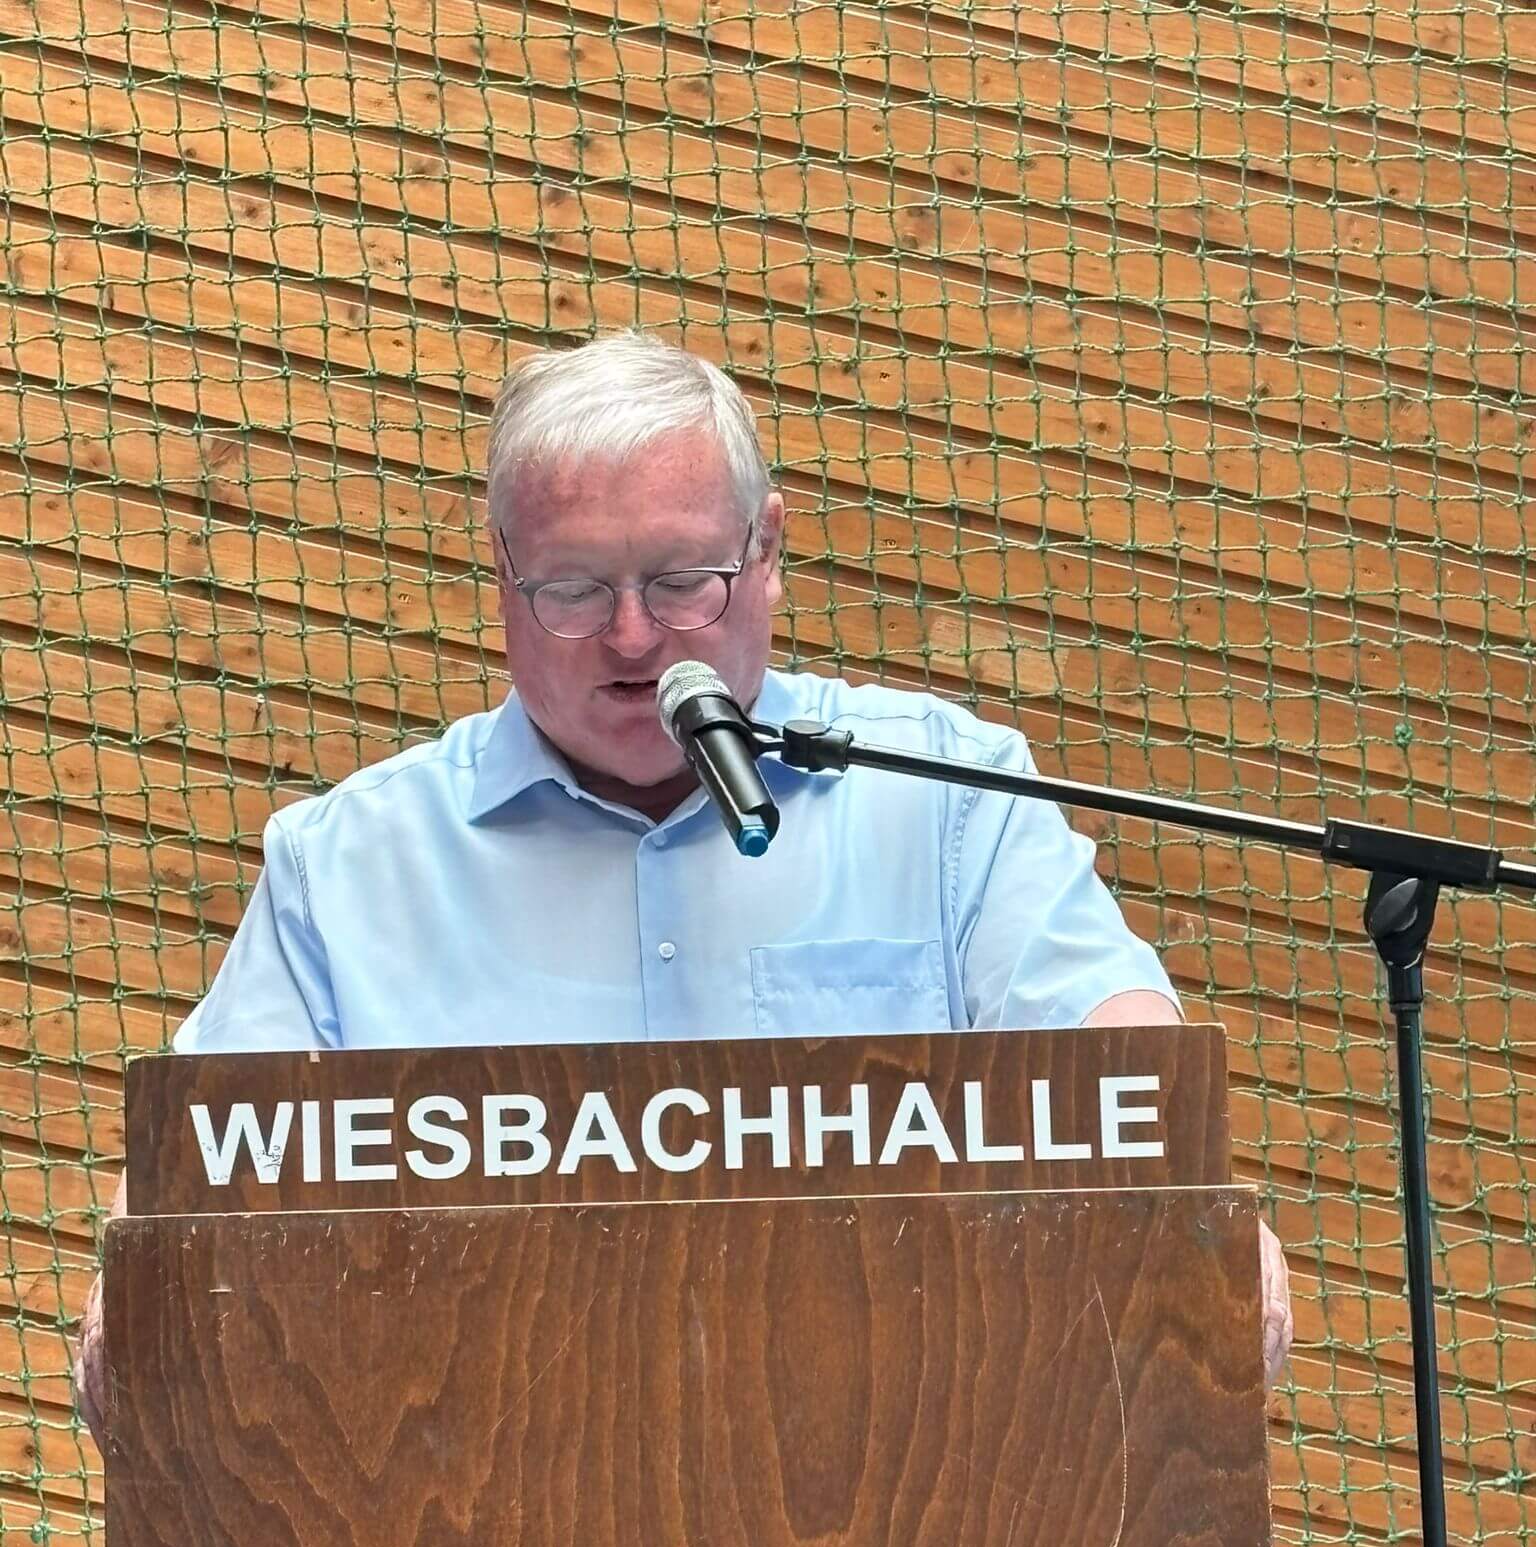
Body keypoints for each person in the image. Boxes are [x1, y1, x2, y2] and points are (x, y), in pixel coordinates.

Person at [73, 330, 1292, 1436]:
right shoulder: (347, 872)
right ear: (502, 572)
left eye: (678, 581)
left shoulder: (947, 803)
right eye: (574, 588)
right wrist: (143, 1308)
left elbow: (1129, 1084)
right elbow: (194, 1189)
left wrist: (1201, 1225)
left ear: (768, 550)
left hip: (920, 1519)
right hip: (464, 1546)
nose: (632, 638)